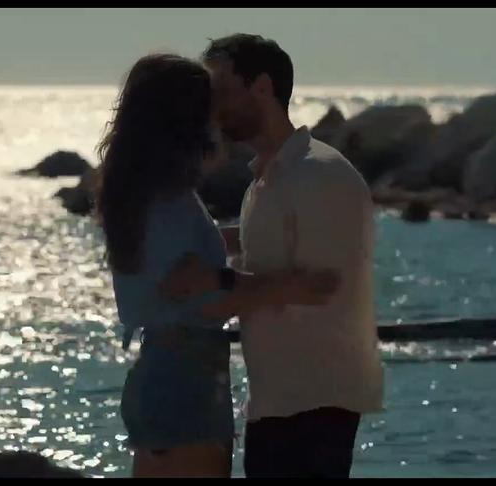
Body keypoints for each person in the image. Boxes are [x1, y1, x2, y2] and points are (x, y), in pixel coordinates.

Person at [95, 53, 340, 478]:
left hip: (163, 375)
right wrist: (290, 288)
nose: (220, 120)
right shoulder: (168, 201)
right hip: (185, 381)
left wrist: (261, 236)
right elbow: (199, 294)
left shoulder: (145, 192)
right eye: (211, 107)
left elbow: (192, 262)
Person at [162, 34, 384, 478]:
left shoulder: (318, 174)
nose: (212, 107)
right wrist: (178, 244)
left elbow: (320, 286)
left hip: (316, 403)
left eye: (222, 90)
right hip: (278, 401)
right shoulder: (267, 180)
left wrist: (213, 286)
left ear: (262, 87)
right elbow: (267, 250)